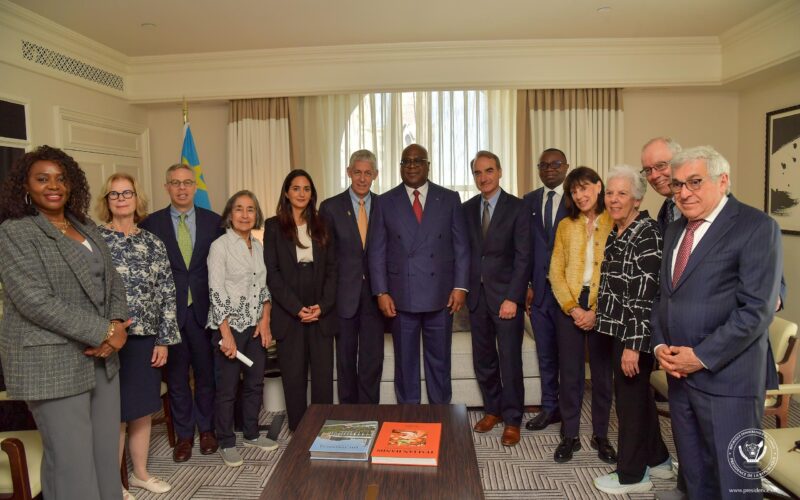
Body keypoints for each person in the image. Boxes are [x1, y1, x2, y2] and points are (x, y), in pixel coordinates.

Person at [652, 146, 782, 500]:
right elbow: (664, 296)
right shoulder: (674, 229)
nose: (683, 193)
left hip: (728, 380)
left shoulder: (756, 227)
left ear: (722, 181)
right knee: (695, 474)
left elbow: (756, 310)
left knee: (735, 482)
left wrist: (700, 356)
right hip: (679, 376)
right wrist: (660, 345)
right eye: (677, 184)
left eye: (695, 182)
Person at [0, 146, 130, 500]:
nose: (53, 186)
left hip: (103, 357)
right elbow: (34, 300)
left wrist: (117, 325)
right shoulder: (15, 232)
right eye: (42, 179)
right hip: (52, 360)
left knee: (104, 454)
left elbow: (113, 282)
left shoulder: (84, 225)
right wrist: (104, 331)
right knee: (72, 462)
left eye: (61, 178)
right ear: (25, 185)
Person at [96, 173, 180, 499]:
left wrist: (164, 340)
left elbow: (167, 293)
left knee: (142, 410)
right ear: (107, 201)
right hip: (108, 339)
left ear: (136, 198)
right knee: (115, 414)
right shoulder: (96, 240)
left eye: (126, 193)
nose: (121, 199)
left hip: (146, 338)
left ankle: (141, 474)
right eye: (114, 194)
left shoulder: (152, 243)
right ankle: (113, 484)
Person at [591, 165, 673, 494]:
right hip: (619, 329)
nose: (613, 199)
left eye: (622, 193)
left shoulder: (647, 233)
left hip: (634, 335)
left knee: (629, 404)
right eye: (610, 193)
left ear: (637, 199)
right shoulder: (618, 229)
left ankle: (632, 475)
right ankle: (659, 460)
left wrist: (633, 346)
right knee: (638, 399)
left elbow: (645, 294)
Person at [368, 143, 470, 404]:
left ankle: (440, 414)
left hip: (441, 295)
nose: (411, 166)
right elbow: (376, 251)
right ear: (400, 167)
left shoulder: (449, 198)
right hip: (400, 296)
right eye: (406, 161)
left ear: (428, 165)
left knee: (440, 361)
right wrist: (381, 292)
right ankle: (409, 415)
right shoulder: (385, 201)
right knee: (406, 364)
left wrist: (460, 287)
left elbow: (461, 247)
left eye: (417, 160)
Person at [139, 163, 224, 462]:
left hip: (204, 311)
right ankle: (185, 436)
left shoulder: (215, 222)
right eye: (175, 183)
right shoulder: (151, 224)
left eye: (187, 182)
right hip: (169, 315)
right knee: (176, 379)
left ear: (195, 187)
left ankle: (207, 430)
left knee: (206, 376)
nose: (182, 188)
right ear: (167, 187)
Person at [548, 166, 616, 464]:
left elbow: (618, 273)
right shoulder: (566, 225)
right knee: (570, 375)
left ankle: (601, 435)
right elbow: (555, 271)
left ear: (599, 186)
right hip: (571, 304)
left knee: (602, 376)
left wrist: (596, 311)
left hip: (605, 304)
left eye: (584, 187)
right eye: (574, 191)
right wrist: (573, 308)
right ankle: (570, 435)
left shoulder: (615, 220)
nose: (579, 195)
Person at [463, 151, 530, 447]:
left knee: (510, 361)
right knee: (484, 360)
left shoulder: (518, 208)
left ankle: (513, 419)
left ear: (500, 172)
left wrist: (513, 297)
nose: (484, 177)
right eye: (478, 173)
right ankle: (493, 410)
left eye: (489, 171)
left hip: (506, 299)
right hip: (477, 298)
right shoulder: (466, 209)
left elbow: (524, 257)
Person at [207, 190, 279, 466]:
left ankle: (251, 433)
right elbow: (216, 291)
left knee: (254, 383)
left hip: (255, 327)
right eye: (239, 209)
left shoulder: (258, 246)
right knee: (227, 390)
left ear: (256, 215)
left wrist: (265, 320)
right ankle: (226, 441)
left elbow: (264, 288)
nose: (245, 215)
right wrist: (225, 335)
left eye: (251, 209)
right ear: (230, 214)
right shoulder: (220, 246)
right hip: (229, 328)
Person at [264, 169, 337, 431]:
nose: (301, 193)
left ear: (312, 194)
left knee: (322, 376)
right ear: (286, 192)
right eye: (296, 188)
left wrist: (323, 306)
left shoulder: (323, 223)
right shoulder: (273, 226)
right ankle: (299, 429)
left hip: (320, 307)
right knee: (293, 376)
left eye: (306, 189)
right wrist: (296, 308)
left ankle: (322, 426)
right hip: (289, 309)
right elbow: (272, 273)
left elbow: (333, 269)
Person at [319, 150, 384, 404]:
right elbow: (325, 258)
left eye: (368, 173)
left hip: (376, 296)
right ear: (348, 172)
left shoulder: (384, 205)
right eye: (357, 172)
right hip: (343, 296)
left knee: (372, 361)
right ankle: (349, 414)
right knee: (345, 360)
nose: (362, 178)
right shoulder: (330, 207)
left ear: (375, 175)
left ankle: (370, 413)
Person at [523, 148, 569, 431]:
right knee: (546, 356)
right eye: (544, 165)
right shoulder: (528, 200)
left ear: (566, 167)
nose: (550, 169)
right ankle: (550, 408)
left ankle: (569, 413)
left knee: (569, 359)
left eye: (556, 164)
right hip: (539, 294)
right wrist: (528, 285)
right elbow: (525, 248)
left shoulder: (577, 199)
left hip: (569, 296)